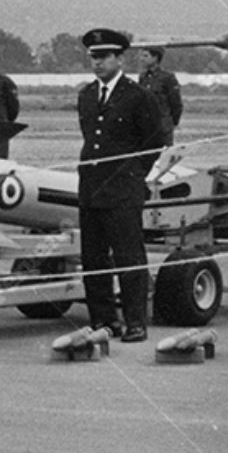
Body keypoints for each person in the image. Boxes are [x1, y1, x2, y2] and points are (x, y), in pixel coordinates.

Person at [75, 28, 169, 344]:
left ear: (119, 58)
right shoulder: (87, 95)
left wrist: (131, 174)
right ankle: (104, 320)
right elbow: (91, 136)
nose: (97, 64)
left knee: (129, 256)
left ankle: (135, 321)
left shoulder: (138, 96)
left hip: (123, 190)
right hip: (91, 187)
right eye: (93, 57)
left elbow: (154, 141)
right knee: (94, 258)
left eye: (103, 57)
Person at [137, 45, 183, 145]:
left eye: (145, 56)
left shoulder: (167, 78)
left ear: (155, 58)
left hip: (162, 128)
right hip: (146, 127)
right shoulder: (143, 77)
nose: (142, 59)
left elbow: (176, 104)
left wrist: (171, 123)